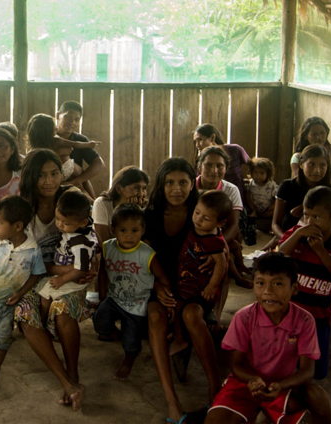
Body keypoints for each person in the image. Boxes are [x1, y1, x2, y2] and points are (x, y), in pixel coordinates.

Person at [205, 252, 331, 424]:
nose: (268, 291)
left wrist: (280, 385)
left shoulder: (304, 320)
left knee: (319, 397)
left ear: (294, 288)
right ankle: (260, 414)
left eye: (278, 283)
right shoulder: (245, 317)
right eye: (260, 283)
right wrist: (252, 380)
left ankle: (266, 414)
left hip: (281, 386)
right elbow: (235, 364)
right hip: (245, 384)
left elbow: (307, 371)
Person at [144, 157, 221, 424]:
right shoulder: (150, 217)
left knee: (191, 316)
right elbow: (139, 260)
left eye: (183, 182)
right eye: (169, 183)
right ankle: (173, 404)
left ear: (192, 184)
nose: (176, 189)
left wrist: (215, 257)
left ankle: (216, 392)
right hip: (161, 285)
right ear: (160, 185)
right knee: (155, 317)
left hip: (194, 286)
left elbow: (221, 246)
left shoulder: (200, 214)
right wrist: (155, 285)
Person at [12, 149, 87, 410]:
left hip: (67, 277)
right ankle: (66, 381)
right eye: (41, 175)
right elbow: (16, 256)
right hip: (31, 279)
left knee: (63, 311)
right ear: (30, 177)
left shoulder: (71, 201)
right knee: (25, 313)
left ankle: (74, 374)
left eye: (54, 173)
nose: (49, 181)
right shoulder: (21, 207)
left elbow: (89, 242)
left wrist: (89, 264)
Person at [0, 196, 45, 391]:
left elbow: (36, 275)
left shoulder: (32, 250)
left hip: (7, 304)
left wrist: (20, 294)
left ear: (18, 226)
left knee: (1, 340)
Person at [277, 186, 331, 381]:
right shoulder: (297, 235)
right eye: (307, 215)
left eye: (316, 217)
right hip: (289, 315)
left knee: (316, 370)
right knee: (285, 363)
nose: (309, 222)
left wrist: (321, 251)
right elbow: (279, 256)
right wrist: (297, 235)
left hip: (319, 318)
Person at [94, 203, 167, 381]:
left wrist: (166, 293)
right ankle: (116, 334)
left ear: (143, 230)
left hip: (138, 303)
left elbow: (161, 276)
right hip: (114, 298)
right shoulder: (108, 247)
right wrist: (102, 295)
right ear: (113, 229)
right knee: (99, 320)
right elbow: (103, 271)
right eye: (123, 230)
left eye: (134, 230)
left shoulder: (147, 254)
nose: (128, 235)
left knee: (131, 341)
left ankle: (129, 358)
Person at [170, 191, 231, 361]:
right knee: (176, 305)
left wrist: (212, 285)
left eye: (206, 218)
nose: (198, 219)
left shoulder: (213, 240)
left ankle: (180, 340)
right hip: (187, 279)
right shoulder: (199, 229)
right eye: (197, 213)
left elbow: (222, 262)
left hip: (198, 286)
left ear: (219, 223)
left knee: (180, 306)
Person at [37, 190, 99, 327]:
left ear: (82, 223)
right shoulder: (74, 230)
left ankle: (42, 324)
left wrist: (61, 279)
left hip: (73, 279)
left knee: (45, 296)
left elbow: (81, 269)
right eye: (57, 219)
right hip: (65, 272)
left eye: (66, 223)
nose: (59, 225)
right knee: (43, 292)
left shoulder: (81, 242)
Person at [197, 146, 251, 288]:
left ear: (226, 168)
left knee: (224, 256)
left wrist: (214, 247)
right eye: (208, 165)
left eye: (220, 166)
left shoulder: (231, 190)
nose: (214, 171)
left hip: (220, 236)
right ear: (199, 166)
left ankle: (237, 272)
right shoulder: (190, 188)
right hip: (197, 237)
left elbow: (233, 226)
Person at [264, 144, 331, 251]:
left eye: (322, 165)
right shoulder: (287, 187)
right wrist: (289, 240)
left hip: (319, 244)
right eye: (311, 164)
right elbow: (275, 225)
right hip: (288, 241)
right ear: (301, 164)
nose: (317, 170)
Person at [27, 113, 99, 195]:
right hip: (66, 168)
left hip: (54, 174)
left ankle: (91, 199)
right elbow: (74, 144)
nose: (57, 128)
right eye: (54, 128)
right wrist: (89, 144)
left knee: (79, 183)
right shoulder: (55, 140)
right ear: (48, 130)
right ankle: (93, 199)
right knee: (82, 178)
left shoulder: (33, 148)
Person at [55, 101, 106, 198]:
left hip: (73, 189)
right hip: (50, 188)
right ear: (58, 115)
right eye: (68, 117)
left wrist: (77, 181)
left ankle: (93, 204)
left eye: (76, 119)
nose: (72, 122)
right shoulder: (48, 137)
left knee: (83, 178)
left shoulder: (80, 140)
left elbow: (99, 163)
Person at [92, 166, 150, 245]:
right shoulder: (102, 204)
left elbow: (142, 244)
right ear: (119, 189)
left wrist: (136, 211)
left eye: (144, 189)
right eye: (136, 188)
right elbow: (104, 244)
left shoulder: (145, 207)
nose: (141, 194)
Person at [193, 123, 251, 191]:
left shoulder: (235, 150)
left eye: (200, 140)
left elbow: (252, 165)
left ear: (212, 138)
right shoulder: (202, 160)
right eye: (195, 141)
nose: (197, 145)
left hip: (238, 196)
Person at [245, 157, 278, 229]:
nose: (258, 176)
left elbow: (277, 197)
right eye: (255, 173)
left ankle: (257, 215)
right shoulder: (250, 183)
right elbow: (247, 196)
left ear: (268, 173)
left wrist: (273, 204)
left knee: (274, 213)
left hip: (266, 209)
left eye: (262, 173)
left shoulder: (271, 184)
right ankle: (254, 213)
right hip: (253, 206)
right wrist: (252, 207)